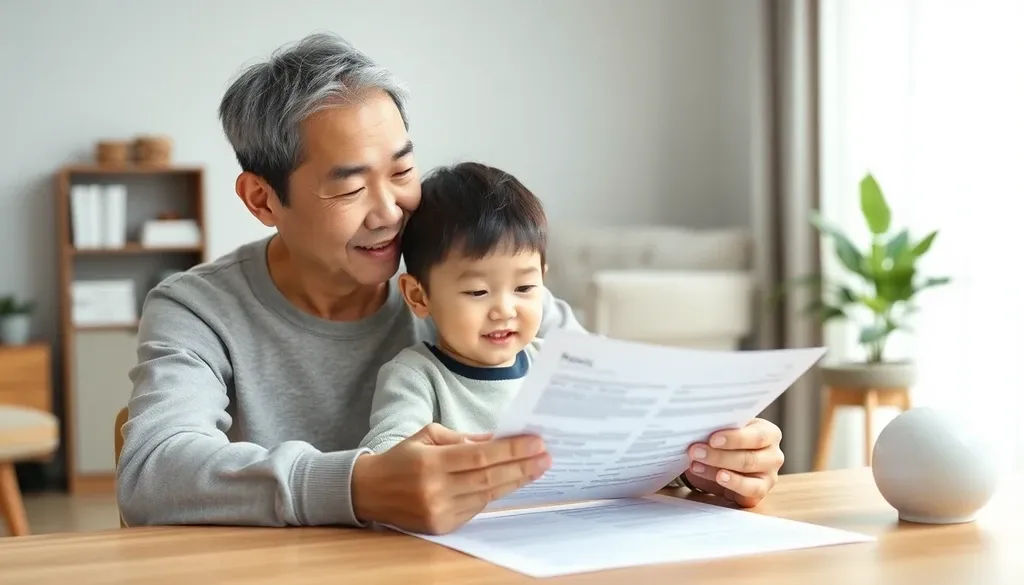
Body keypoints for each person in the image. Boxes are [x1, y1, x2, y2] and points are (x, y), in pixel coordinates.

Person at [116, 33, 786, 536]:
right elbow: (153, 469)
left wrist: (702, 460)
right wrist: (359, 484)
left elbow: (607, 419)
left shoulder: (473, 284)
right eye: (350, 184)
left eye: (402, 170)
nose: (392, 209)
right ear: (262, 200)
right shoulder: (197, 309)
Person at [359, 162, 548, 455]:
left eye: (524, 288)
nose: (504, 310)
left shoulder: (550, 364)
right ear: (419, 297)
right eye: (478, 291)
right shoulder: (416, 376)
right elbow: (386, 453)